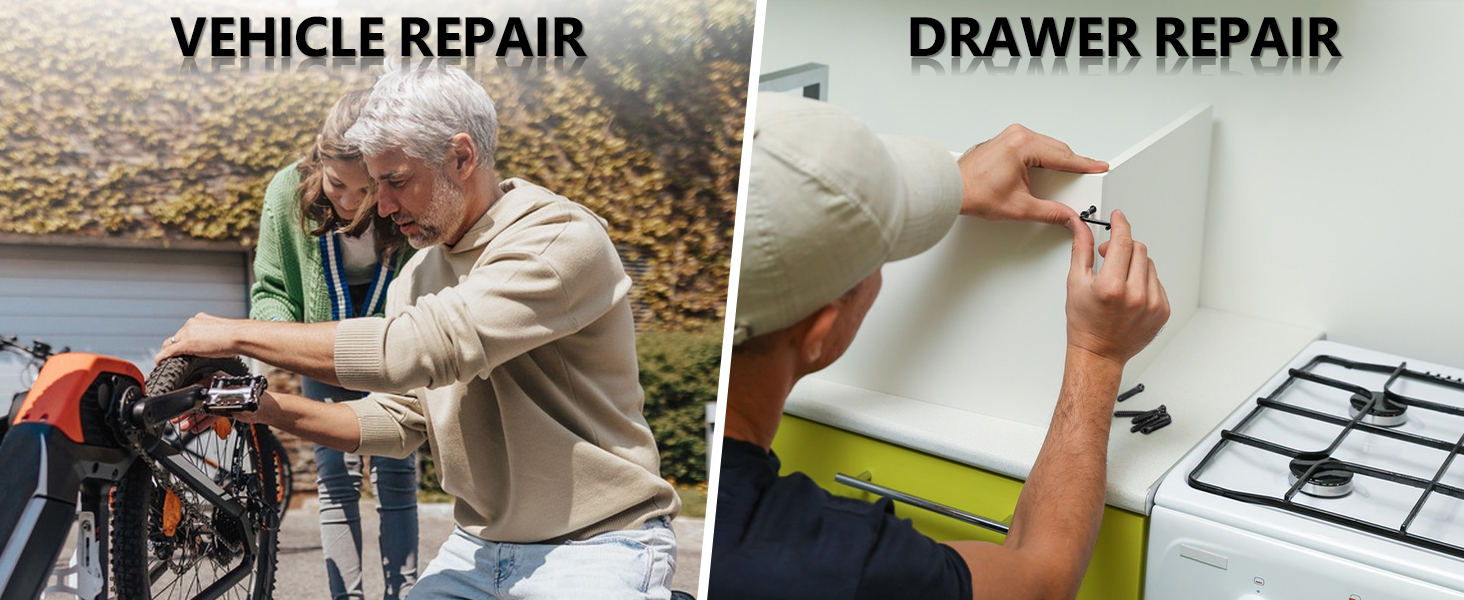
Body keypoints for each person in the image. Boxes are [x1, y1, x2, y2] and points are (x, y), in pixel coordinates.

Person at [160, 65, 680, 599]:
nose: (380, 207)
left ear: (461, 157)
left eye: (396, 182)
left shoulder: (557, 239)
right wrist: (266, 409)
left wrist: (240, 335)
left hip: (597, 546)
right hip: (476, 550)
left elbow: (423, 348)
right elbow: (401, 416)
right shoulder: (418, 275)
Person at [710, 93, 1171, 599]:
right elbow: (1041, 581)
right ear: (819, 332)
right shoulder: (830, 564)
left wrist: (949, 187)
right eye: (880, 257)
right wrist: (1098, 355)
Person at [249, 89, 419, 600]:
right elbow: (272, 288)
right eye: (337, 183)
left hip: (392, 347)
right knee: (335, 479)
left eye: (364, 188)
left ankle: (404, 595)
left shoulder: (404, 194)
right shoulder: (285, 191)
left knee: (396, 474)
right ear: (318, 160)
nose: (348, 200)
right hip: (324, 353)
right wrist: (279, 341)